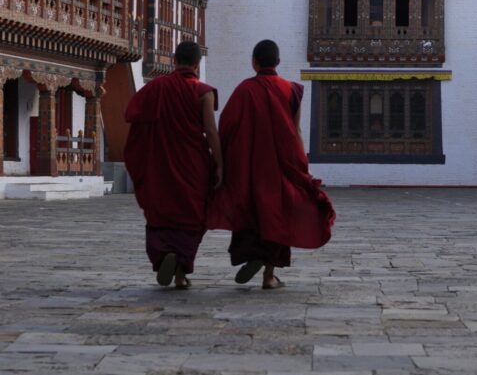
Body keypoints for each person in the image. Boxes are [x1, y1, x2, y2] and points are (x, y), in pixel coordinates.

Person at [208, 39, 335, 289]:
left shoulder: (244, 90)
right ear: (278, 62)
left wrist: (222, 162)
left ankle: (254, 255)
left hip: (250, 167)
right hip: (282, 165)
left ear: (254, 62)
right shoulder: (291, 90)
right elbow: (295, 130)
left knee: (253, 211)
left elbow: (227, 126)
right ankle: (269, 275)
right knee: (279, 215)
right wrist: (303, 165)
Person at [124, 40, 222, 289]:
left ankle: (164, 254)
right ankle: (180, 272)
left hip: (160, 163)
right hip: (192, 165)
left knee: (161, 210)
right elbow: (210, 131)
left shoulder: (155, 87)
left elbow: (133, 117)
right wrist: (220, 164)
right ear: (198, 64)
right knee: (192, 215)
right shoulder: (204, 92)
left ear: (174, 60)